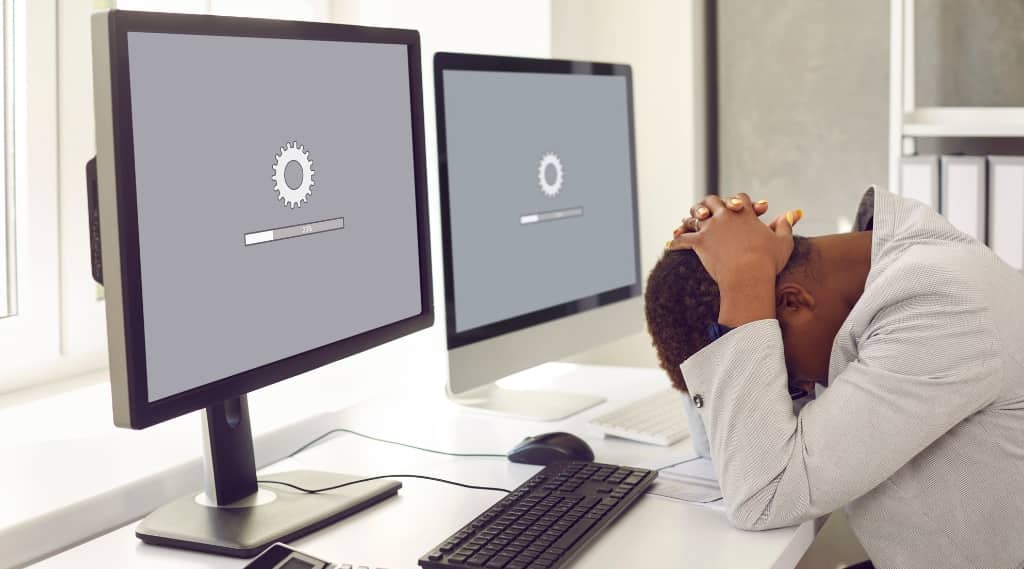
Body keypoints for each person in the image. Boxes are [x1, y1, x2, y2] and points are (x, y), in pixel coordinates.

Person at [643, 187, 1024, 569]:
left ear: (792, 302)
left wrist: (745, 275)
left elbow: (761, 496)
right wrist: (710, 257)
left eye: (788, 382)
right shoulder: (871, 270)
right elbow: (714, 443)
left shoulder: (938, 305)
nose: (803, 393)